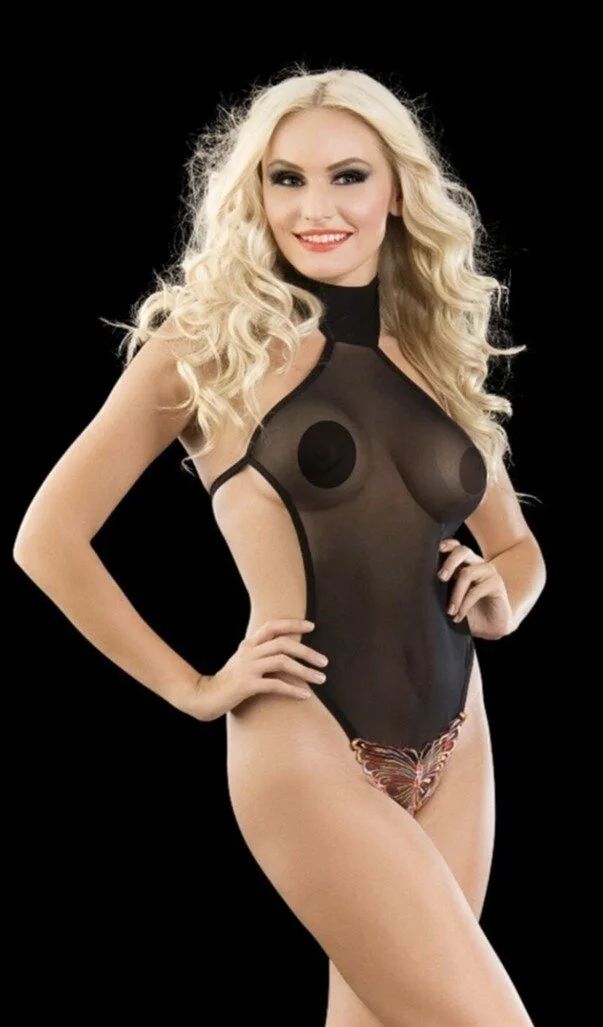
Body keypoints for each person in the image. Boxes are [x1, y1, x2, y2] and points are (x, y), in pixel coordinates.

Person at [13, 66, 545, 1026]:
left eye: (348, 176)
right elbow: (47, 538)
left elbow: (516, 547)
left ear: (397, 192)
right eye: (285, 178)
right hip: (306, 743)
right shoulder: (208, 349)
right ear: (254, 194)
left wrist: (502, 597)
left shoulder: (432, 352)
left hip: (459, 741)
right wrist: (193, 686)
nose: (315, 208)